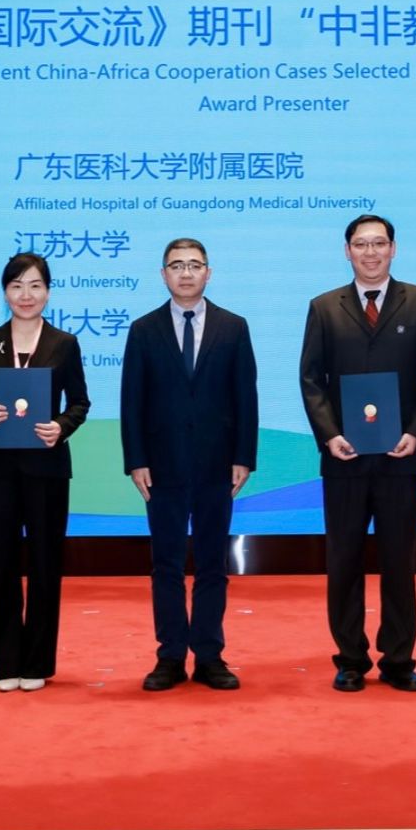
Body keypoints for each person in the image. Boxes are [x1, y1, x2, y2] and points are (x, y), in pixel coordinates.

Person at [299, 214, 416, 693]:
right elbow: (311, 379)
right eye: (361, 244)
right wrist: (329, 435)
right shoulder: (324, 307)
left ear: (393, 248)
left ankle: (399, 659)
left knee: (399, 562)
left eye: (379, 243)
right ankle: (350, 658)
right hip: (343, 458)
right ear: (347, 251)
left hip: (401, 457)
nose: (371, 252)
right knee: (343, 561)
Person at [120, 238, 259, 692]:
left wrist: (244, 456)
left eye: (194, 265)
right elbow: (132, 401)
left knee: (213, 563)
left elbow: (246, 396)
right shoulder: (144, 330)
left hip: (218, 466)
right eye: (176, 265)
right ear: (163, 274)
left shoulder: (233, 327)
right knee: (166, 564)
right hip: (161, 468)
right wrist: (136, 460)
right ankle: (170, 656)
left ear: (208, 273)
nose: (185, 273)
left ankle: (210, 655)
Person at [0, 252, 90, 692]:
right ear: (5, 292)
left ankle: (36, 662)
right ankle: (6, 662)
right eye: (17, 286)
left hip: (47, 468)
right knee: (1, 565)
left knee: (44, 564)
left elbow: (80, 402)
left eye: (35, 285)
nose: (26, 295)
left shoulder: (64, 343)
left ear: (48, 292)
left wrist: (61, 426)